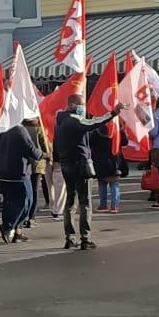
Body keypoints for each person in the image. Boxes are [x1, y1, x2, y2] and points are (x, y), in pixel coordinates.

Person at [53, 98, 117, 250]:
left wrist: (57, 159)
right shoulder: (74, 121)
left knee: (70, 201)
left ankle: (69, 237)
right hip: (80, 165)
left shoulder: (60, 123)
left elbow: (56, 144)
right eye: (81, 105)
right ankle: (85, 238)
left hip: (66, 164)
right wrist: (113, 113)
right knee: (85, 203)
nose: (83, 108)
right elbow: (93, 124)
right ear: (73, 105)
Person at [0, 115, 39, 243]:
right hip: (19, 172)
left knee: (9, 202)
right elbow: (31, 149)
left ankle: (16, 232)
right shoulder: (20, 130)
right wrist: (43, 155)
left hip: (3, 172)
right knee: (26, 202)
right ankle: (8, 226)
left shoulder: (1, 129)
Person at [93, 116, 121, 214]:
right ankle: (114, 206)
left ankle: (103, 205)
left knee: (102, 183)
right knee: (114, 184)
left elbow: (91, 145)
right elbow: (125, 141)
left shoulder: (96, 131)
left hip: (100, 162)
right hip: (114, 160)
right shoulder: (116, 130)